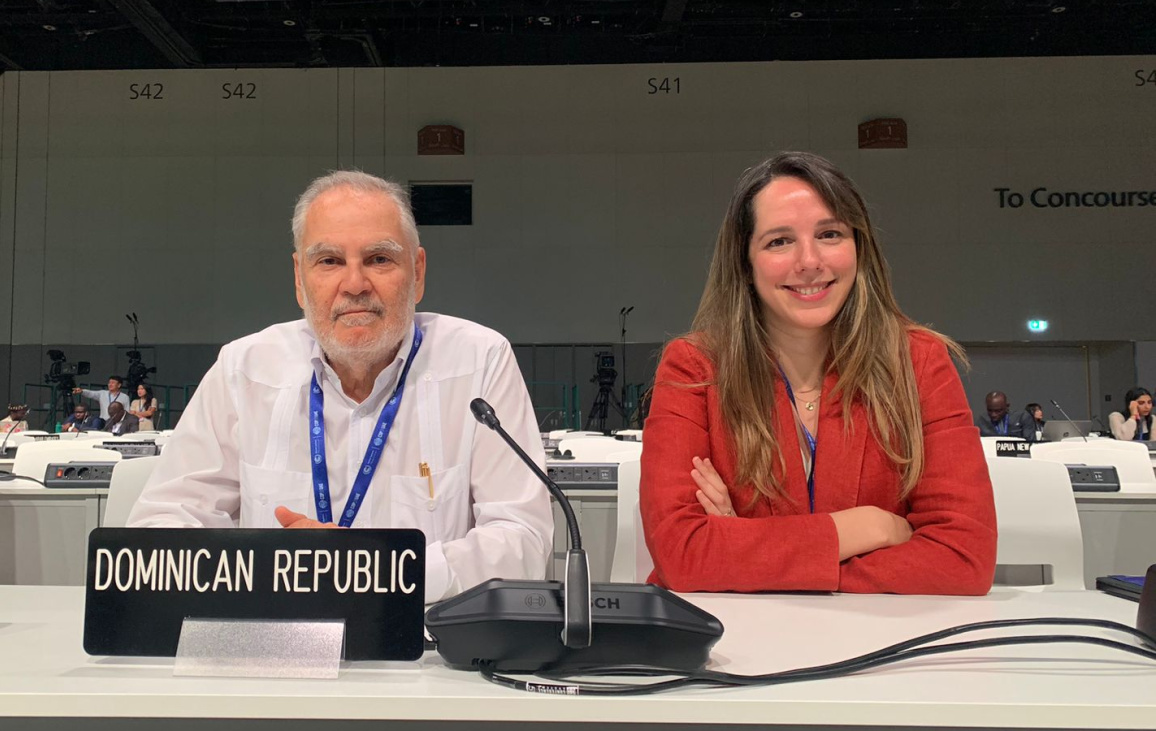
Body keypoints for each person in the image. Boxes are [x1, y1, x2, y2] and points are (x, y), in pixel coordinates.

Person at [128, 170, 554, 603]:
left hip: (426, 653)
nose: (354, 285)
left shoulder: (479, 363)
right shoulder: (245, 370)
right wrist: (278, 569)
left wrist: (374, 570)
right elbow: (159, 529)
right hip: (274, 644)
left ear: (418, 272)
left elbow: (525, 541)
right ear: (299, 278)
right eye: (329, 261)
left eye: (379, 259)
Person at [640, 151, 996, 596]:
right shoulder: (694, 367)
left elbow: (963, 559)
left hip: (879, 642)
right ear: (745, 264)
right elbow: (682, 554)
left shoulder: (920, 362)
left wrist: (747, 557)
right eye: (779, 241)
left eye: (829, 234)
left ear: (858, 248)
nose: (809, 261)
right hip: (735, 643)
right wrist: (869, 527)